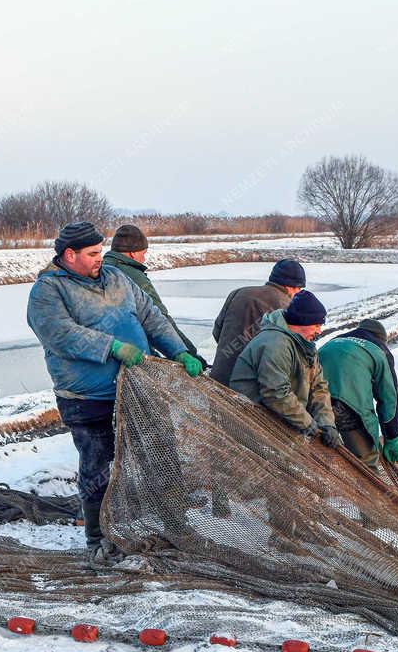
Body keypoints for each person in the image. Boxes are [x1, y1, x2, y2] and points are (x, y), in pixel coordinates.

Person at [27, 220, 202, 549]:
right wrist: (113, 347)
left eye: (100, 251)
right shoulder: (48, 291)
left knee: (162, 453)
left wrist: (178, 350)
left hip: (139, 386)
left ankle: (176, 525)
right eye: (92, 253)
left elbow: (151, 316)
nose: (99, 257)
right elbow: (60, 334)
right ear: (69, 254)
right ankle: (98, 536)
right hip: (88, 396)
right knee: (98, 466)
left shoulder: (117, 278)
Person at [229, 290, 343, 448]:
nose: (319, 331)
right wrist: (308, 423)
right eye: (316, 325)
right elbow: (275, 393)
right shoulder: (276, 343)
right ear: (302, 322)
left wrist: (327, 423)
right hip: (250, 423)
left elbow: (319, 387)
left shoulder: (305, 346)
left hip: (277, 423)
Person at [102, 223, 202, 361]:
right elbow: (159, 317)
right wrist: (188, 353)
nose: (144, 259)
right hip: (133, 355)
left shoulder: (100, 269)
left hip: (104, 352)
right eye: (143, 254)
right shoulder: (134, 276)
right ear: (132, 253)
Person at [318, 318, 398, 467]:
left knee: (323, 455)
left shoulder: (334, 341)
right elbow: (389, 399)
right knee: (366, 460)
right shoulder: (379, 349)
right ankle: (370, 488)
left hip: (314, 400)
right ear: (381, 338)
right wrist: (392, 437)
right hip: (346, 406)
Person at [210, 259, 306, 386]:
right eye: (299, 288)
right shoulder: (289, 308)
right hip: (251, 388)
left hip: (220, 377)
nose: (298, 293)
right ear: (289, 285)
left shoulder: (238, 293)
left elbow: (217, 331)